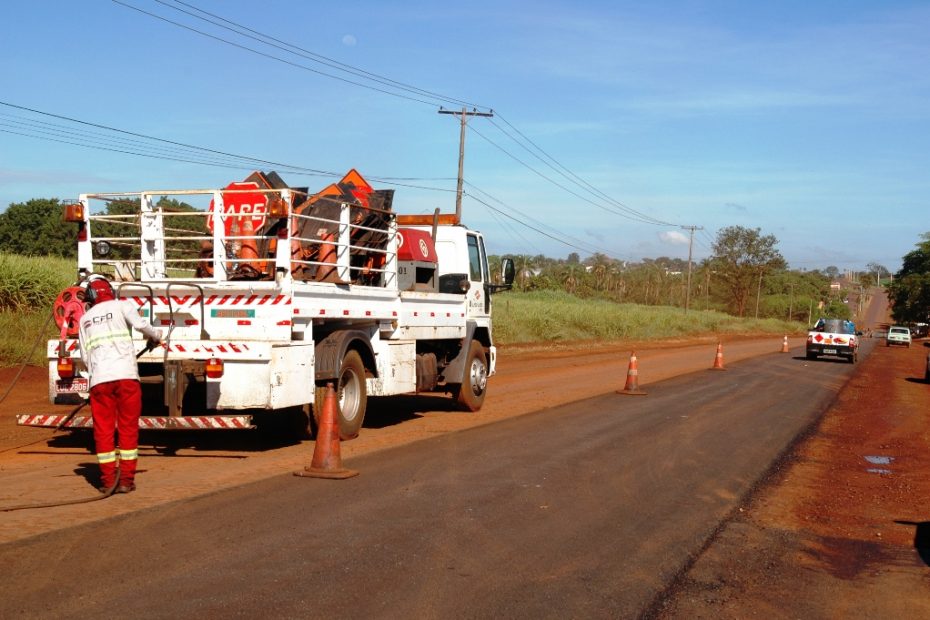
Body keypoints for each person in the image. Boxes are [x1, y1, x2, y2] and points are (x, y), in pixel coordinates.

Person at [77, 276, 162, 493]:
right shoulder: (122, 305)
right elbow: (142, 326)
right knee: (127, 428)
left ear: (92, 297)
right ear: (110, 292)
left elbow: (85, 357)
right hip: (126, 377)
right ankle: (125, 481)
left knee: (103, 431)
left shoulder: (84, 319)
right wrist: (157, 335)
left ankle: (107, 482)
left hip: (99, 382)